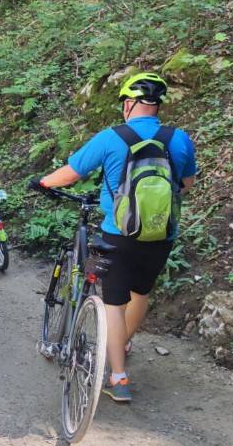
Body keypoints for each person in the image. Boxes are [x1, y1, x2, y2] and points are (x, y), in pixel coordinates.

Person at [31, 72, 197, 403]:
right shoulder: (179, 139)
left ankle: (119, 378)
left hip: (118, 234)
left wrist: (44, 183)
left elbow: (73, 172)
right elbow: (186, 185)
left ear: (130, 103)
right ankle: (121, 345)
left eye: (124, 102)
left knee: (114, 304)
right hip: (162, 234)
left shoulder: (111, 138)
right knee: (140, 292)